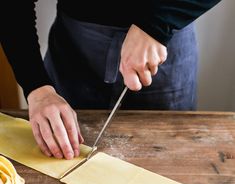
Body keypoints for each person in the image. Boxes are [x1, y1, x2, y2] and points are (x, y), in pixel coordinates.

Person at [1, 1, 221, 160]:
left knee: (170, 159)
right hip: (74, 46)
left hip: (164, 41)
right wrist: (36, 87)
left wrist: (159, 23)